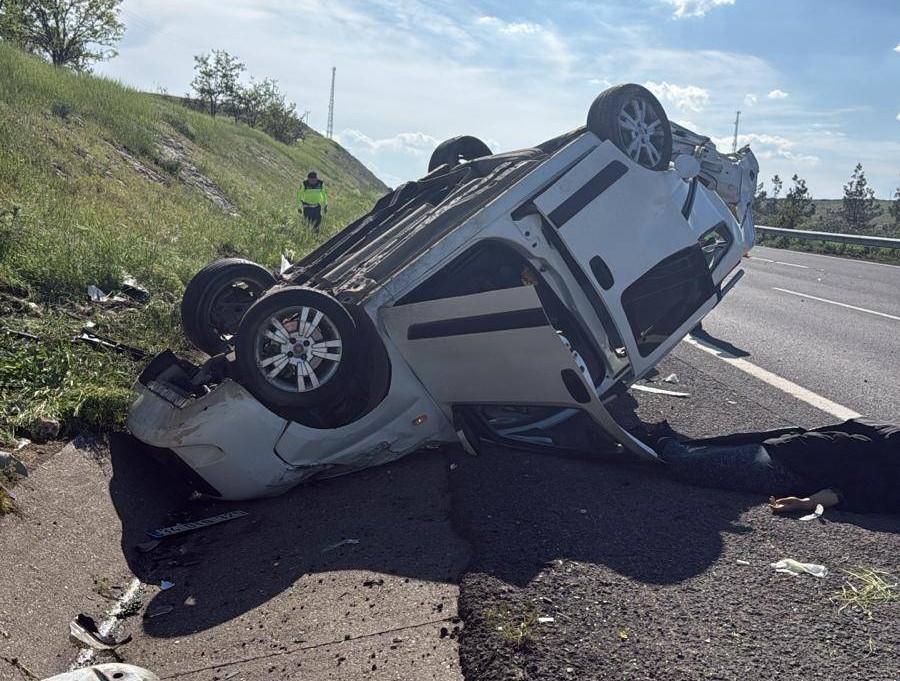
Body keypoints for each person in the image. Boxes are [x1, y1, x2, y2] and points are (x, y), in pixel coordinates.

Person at [646, 418, 899, 515]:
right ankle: (657, 437)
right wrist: (809, 502)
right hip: (793, 456)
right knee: (690, 462)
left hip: (794, 454)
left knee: (694, 458)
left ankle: (658, 437)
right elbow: (866, 489)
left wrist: (808, 502)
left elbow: (862, 488)